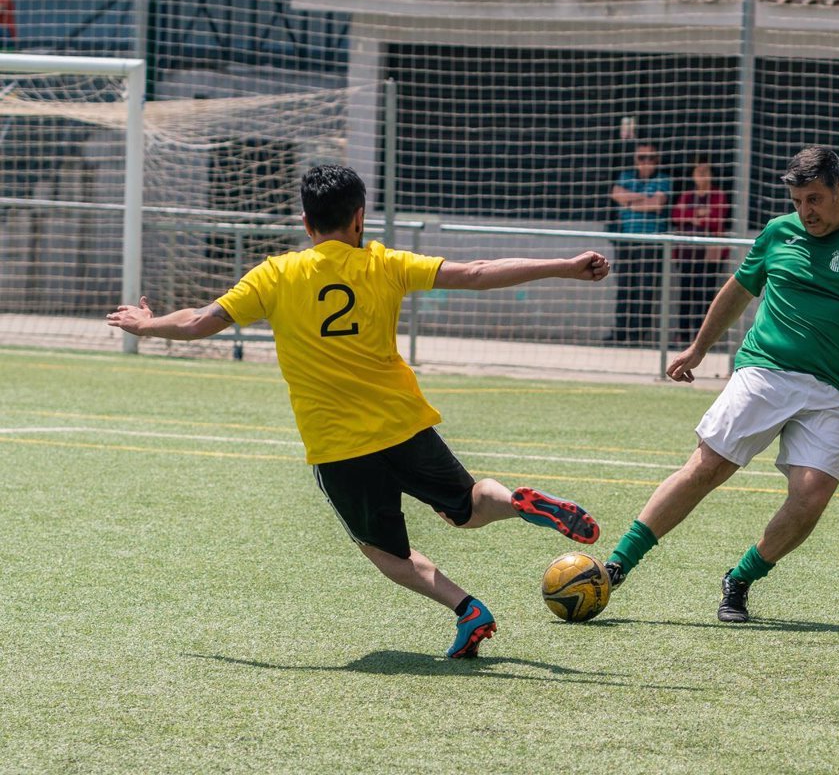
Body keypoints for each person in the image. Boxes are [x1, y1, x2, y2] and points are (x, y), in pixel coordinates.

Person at [106, 164, 609, 659]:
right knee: (469, 508)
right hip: (404, 424)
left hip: (340, 446)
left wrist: (147, 326)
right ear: (359, 218)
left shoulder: (276, 274)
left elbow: (197, 322)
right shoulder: (384, 264)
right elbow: (476, 273)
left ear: (306, 223)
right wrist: (565, 265)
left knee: (386, 553)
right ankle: (516, 501)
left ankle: (467, 609)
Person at [601, 146, 839, 622]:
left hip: (834, 388)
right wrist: (698, 348)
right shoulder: (778, 233)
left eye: (814, 199)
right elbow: (737, 291)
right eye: (797, 201)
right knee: (707, 467)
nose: (805, 212)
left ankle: (741, 578)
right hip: (765, 369)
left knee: (812, 494)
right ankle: (617, 565)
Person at [607, 141, 671, 345]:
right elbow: (616, 194)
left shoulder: (663, 179)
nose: (645, 162)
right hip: (626, 240)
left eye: (650, 157)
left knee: (645, 289)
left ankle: (637, 336)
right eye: (641, 157)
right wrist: (643, 199)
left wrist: (629, 201)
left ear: (657, 160)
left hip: (651, 242)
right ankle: (620, 331)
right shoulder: (626, 176)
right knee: (625, 286)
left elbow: (656, 204)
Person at [671, 155, 730, 343]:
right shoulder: (687, 195)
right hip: (688, 253)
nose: (702, 175)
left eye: (706, 171)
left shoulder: (718, 195)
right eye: (698, 171)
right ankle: (684, 335)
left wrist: (693, 215)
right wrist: (697, 214)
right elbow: (676, 215)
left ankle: (702, 337)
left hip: (710, 253)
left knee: (705, 293)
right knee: (686, 293)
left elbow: (717, 216)